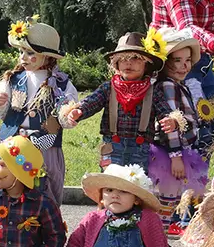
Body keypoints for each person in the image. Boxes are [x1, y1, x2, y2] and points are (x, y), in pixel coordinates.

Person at [0, 17, 77, 207]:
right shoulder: (12, 79)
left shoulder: (60, 83)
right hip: (13, 144)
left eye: (30, 53)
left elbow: (67, 107)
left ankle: (46, 226)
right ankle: (9, 223)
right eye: (21, 52)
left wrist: (68, 113)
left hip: (45, 147)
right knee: (10, 187)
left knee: (46, 188)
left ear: (48, 56)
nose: (23, 57)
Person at [63, 32, 165, 169]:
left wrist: (171, 120)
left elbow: (165, 111)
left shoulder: (153, 91)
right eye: (122, 59)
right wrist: (79, 111)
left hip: (140, 150)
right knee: (110, 183)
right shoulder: (109, 88)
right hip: (112, 147)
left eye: (135, 58)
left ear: (146, 65)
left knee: (137, 184)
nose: (128, 62)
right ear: (116, 64)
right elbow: (93, 101)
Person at [150, 27, 211, 239]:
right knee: (165, 201)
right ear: (165, 62)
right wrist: (176, 157)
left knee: (171, 201)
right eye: (177, 60)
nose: (184, 66)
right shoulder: (167, 85)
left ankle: (160, 243)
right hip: (168, 153)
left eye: (187, 60)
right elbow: (171, 122)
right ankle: (158, 244)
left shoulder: (179, 84)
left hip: (179, 150)